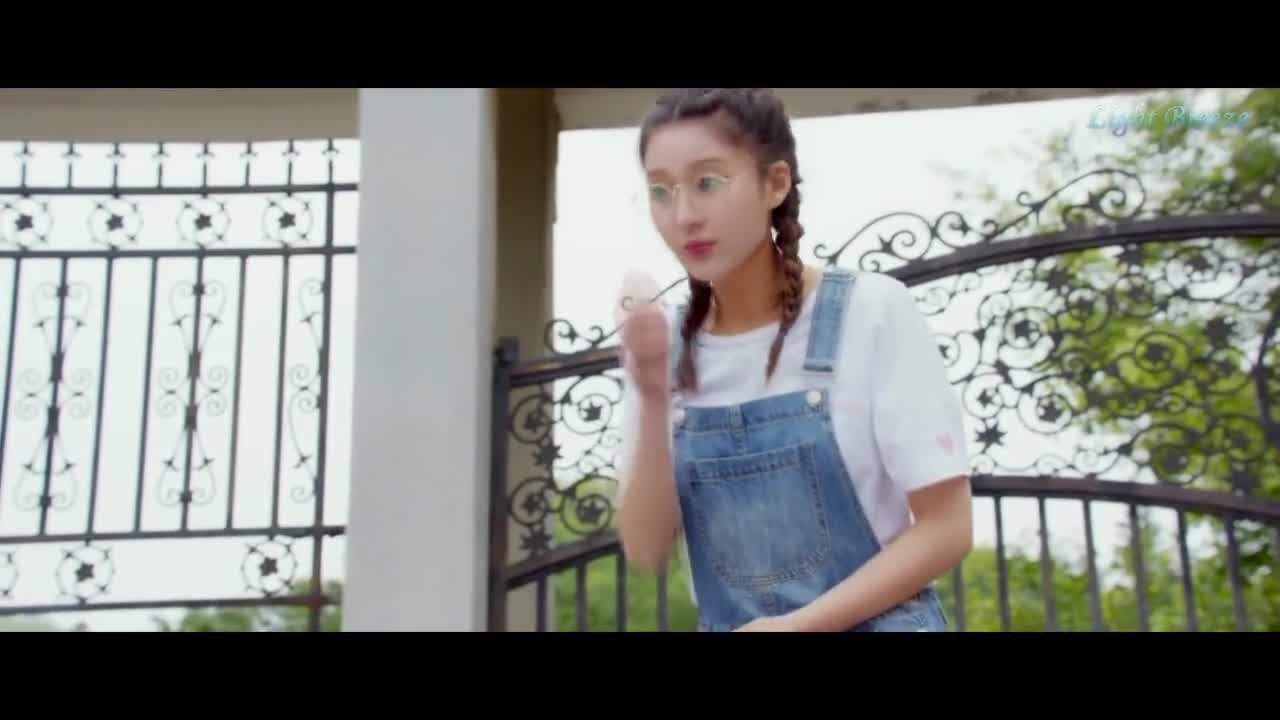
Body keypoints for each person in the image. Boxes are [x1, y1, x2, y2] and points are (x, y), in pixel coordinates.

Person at [614, 88, 973, 632]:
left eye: (708, 182)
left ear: (775, 183)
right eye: (661, 191)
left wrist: (798, 626)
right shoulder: (662, 345)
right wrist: (651, 393)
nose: (683, 215)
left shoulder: (870, 311)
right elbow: (646, 549)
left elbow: (948, 527)